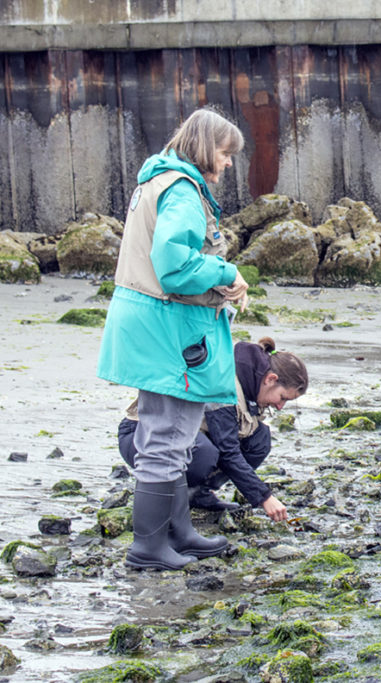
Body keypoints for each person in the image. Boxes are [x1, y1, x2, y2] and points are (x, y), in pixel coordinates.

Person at [97, 108, 249, 570]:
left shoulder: (159, 181)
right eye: (225, 155)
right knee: (165, 440)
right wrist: (227, 271)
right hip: (168, 330)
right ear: (206, 148)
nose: (227, 165)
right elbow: (174, 266)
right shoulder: (181, 189)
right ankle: (148, 548)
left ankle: (177, 532)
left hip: (152, 324)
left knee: (175, 439)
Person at [117, 338, 307, 522]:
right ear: (271, 379)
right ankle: (171, 499)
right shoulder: (225, 385)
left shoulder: (251, 383)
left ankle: (197, 494)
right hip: (141, 436)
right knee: (204, 452)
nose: (280, 406)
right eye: (283, 397)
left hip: (179, 437)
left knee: (259, 440)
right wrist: (264, 497)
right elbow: (228, 452)